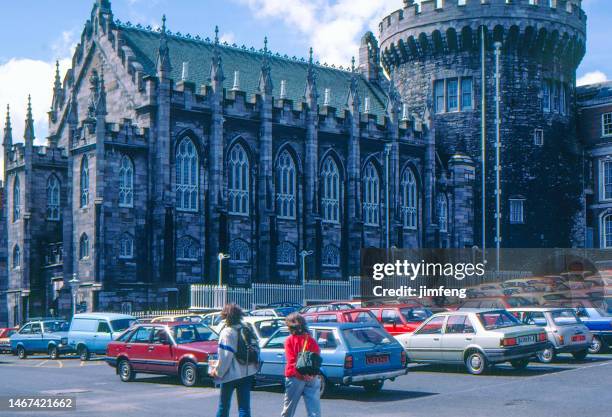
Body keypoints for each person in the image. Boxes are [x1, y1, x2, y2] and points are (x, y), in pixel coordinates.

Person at [210, 304, 258, 417]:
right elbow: (256, 347)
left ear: (225, 316)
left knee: (224, 406)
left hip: (230, 374)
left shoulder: (227, 332)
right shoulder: (246, 328)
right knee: (244, 407)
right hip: (247, 372)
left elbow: (225, 357)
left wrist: (218, 372)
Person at [281, 313, 322, 417]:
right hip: (312, 377)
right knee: (314, 410)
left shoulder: (289, 341)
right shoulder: (311, 340)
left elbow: (291, 361)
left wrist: (302, 375)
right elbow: (317, 357)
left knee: (289, 409)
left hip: (295, 377)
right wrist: (310, 375)